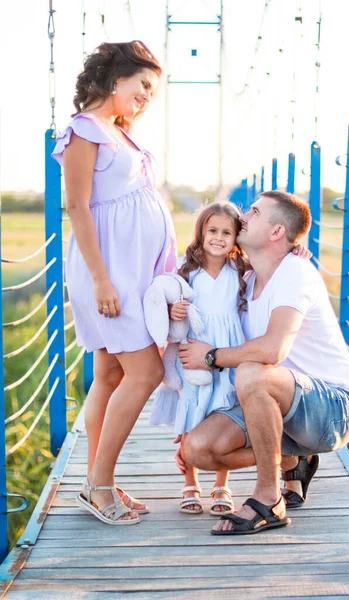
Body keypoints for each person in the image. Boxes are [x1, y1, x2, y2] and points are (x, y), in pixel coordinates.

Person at [176, 190, 349, 535]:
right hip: (280, 402)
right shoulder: (244, 279)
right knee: (198, 449)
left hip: (333, 407)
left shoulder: (295, 272)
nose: (242, 217)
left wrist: (211, 357)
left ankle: (269, 498)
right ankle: (295, 457)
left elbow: (273, 350)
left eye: (254, 212)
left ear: (277, 232)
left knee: (252, 371)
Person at [52, 40, 177, 525]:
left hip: (132, 273)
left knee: (109, 375)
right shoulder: (86, 129)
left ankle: (96, 481)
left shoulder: (120, 132)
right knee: (144, 373)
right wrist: (103, 280)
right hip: (107, 273)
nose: (147, 95)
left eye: (153, 90)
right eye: (143, 84)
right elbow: (79, 207)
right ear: (116, 78)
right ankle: (98, 483)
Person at [150, 202, 248, 516]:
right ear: (201, 232)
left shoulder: (243, 269)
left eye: (227, 232)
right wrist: (172, 311)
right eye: (212, 231)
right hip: (192, 349)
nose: (219, 238)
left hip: (226, 350)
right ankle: (189, 481)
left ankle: (222, 483)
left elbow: (278, 260)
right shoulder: (186, 269)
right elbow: (167, 301)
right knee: (191, 409)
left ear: (236, 237)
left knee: (223, 408)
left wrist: (297, 251)